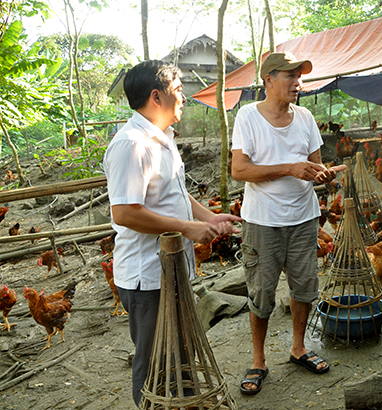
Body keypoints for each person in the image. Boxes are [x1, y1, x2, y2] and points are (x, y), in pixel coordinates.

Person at [103, 60, 241, 406]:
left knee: (179, 353)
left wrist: (207, 218)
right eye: (178, 91)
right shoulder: (132, 144)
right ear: (156, 96)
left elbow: (175, 194)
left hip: (172, 269)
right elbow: (125, 212)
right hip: (146, 277)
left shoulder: (163, 138)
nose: (184, 98)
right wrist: (187, 228)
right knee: (153, 363)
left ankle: (183, 403)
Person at [231, 52, 343, 395]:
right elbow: (240, 171)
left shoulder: (306, 117)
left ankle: (298, 347)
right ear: (268, 80)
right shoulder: (248, 117)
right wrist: (289, 168)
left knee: (304, 287)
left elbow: (314, 166)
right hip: (262, 221)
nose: (298, 83)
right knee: (262, 292)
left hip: (303, 217)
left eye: (300, 77)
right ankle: (259, 359)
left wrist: (324, 176)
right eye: (290, 76)